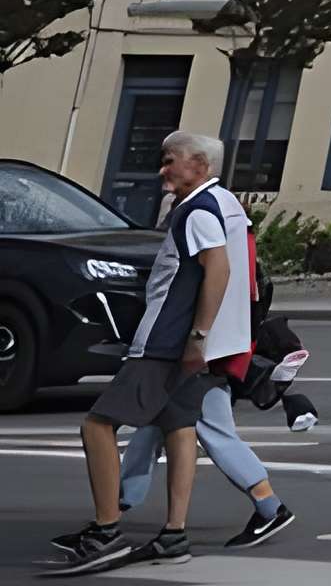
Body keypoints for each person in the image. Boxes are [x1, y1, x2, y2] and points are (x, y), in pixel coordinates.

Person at [50, 129, 279, 573]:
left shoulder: (195, 211)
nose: (162, 169)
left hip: (166, 342)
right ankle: (174, 533)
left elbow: (218, 269)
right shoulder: (222, 204)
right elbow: (234, 272)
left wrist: (196, 335)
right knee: (179, 430)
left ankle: (106, 530)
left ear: (199, 165)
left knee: (97, 426)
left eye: (169, 160)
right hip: (198, 344)